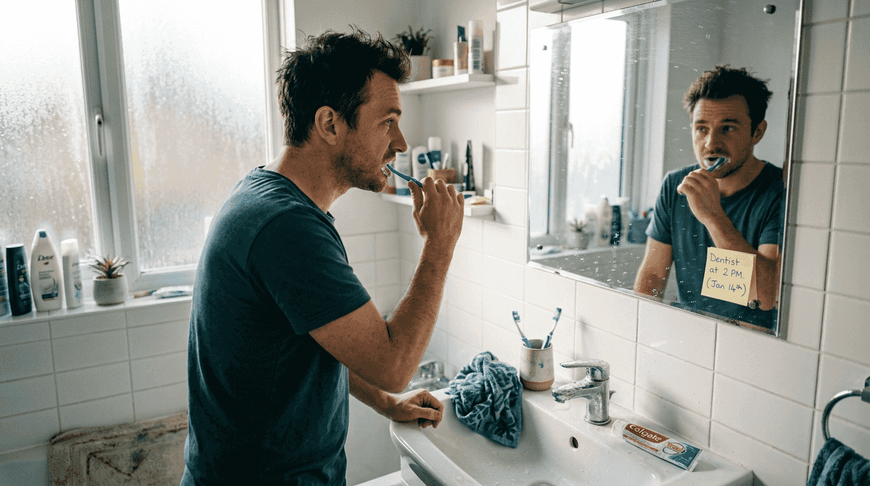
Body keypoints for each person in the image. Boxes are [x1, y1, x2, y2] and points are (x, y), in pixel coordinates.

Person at [181, 28, 465, 485]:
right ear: (330, 124)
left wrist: (386, 403)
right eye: (387, 121)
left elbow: (319, 335)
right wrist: (440, 244)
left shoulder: (267, 196)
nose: (401, 144)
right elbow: (394, 365)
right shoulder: (287, 228)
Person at [633, 65, 783, 329]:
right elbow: (653, 276)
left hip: (754, 351)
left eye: (728, 128)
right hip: (689, 340)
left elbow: (765, 296)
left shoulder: (781, 192)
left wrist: (713, 216)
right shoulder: (675, 185)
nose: (711, 144)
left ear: (757, 132)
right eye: (701, 128)